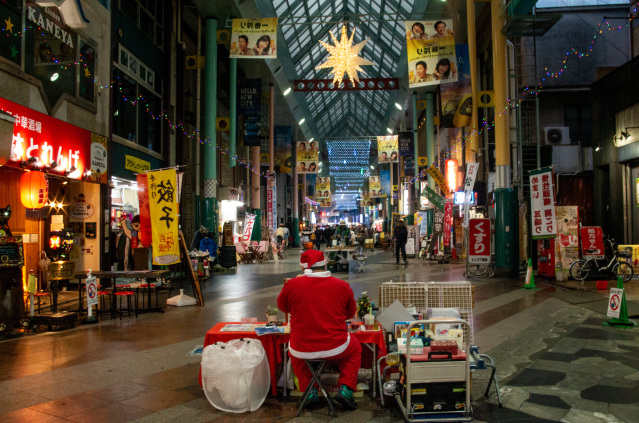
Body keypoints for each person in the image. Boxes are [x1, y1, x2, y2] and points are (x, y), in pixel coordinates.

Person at [278, 249, 360, 410]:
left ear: (303, 268)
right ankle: (346, 390)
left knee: (294, 353)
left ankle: (310, 391)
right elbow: (350, 314)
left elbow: (283, 307)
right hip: (336, 346)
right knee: (355, 348)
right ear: (325, 265)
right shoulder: (342, 285)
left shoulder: (292, 285)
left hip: (302, 346)